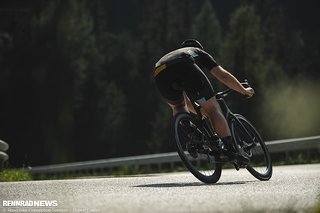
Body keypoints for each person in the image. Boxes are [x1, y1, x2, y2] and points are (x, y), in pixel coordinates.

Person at [153, 39, 255, 163]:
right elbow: (223, 76)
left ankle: (192, 134)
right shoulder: (199, 52)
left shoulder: (174, 54)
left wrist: (201, 109)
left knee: (178, 106)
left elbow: (187, 103)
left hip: (159, 72)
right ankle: (230, 149)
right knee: (213, 108)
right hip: (184, 65)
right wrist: (243, 90)